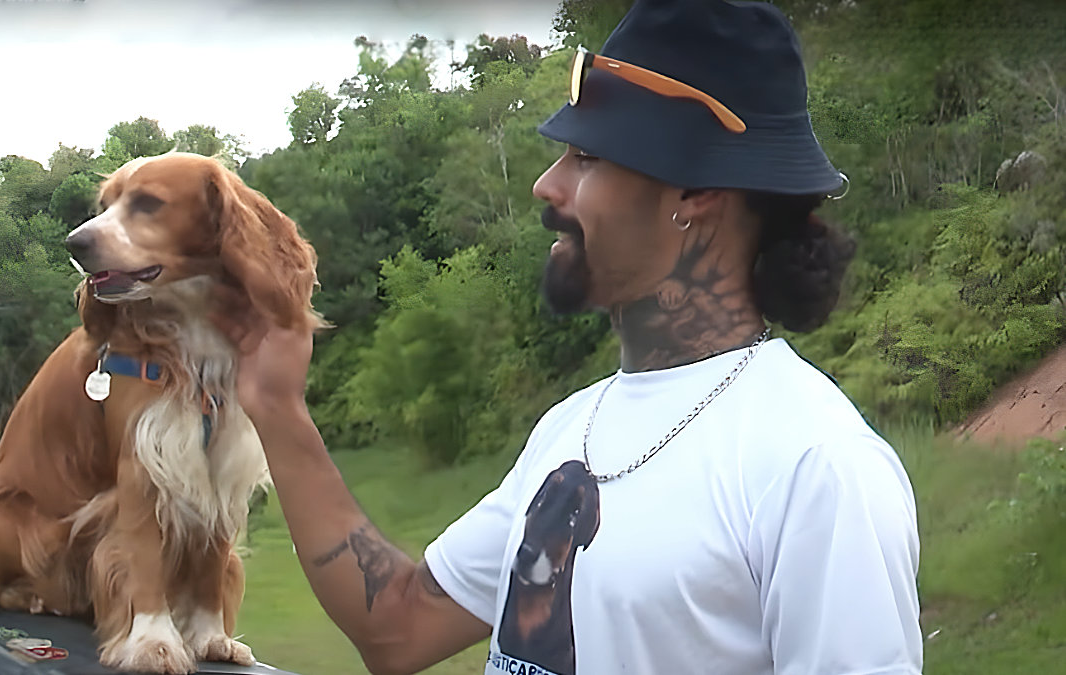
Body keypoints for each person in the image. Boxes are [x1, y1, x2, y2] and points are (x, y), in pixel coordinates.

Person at [220, 1, 923, 673]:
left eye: (586, 157)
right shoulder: (570, 429)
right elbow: (399, 626)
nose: (545, 186)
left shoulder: (816, 465)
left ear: (694, 193)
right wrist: (276, 403)